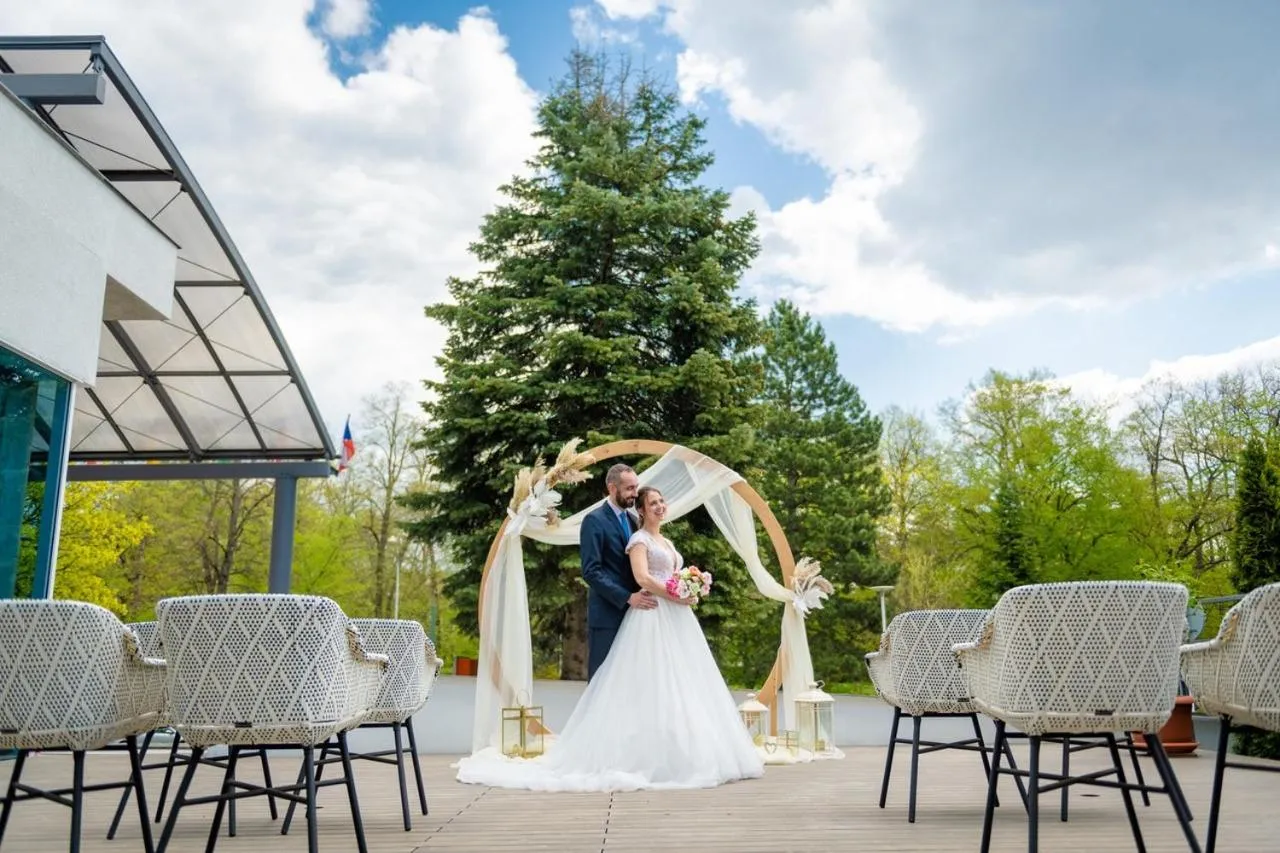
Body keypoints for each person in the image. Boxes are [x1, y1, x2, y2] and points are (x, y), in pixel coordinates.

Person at [455, 485, 765, 791]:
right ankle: (637, 755)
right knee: (645, 684)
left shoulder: (664, 539)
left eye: (661, 501)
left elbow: (670, 573)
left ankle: (686, 748)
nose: (659, 506)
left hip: (677, 618)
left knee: (684, 681)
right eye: (651, 502)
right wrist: (674, 592)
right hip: (651, 614)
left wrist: (691, 585)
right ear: (640, 509)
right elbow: (642, 577)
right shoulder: (638, 539)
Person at [579, 464, 656, 679]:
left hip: (635, 616)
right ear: (612, 488)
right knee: (602, 681)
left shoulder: (633, 521)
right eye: (629, 489)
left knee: (628, 680)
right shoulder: (594, 521)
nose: (635, 494)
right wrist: (627, 597)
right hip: (607, 616)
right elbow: (591, 571)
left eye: (636, 487)